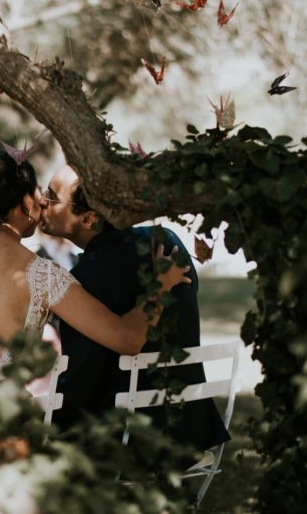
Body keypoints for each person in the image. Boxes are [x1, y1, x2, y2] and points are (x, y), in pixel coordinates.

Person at [0, 150, 191, 365]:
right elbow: (127, 339)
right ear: (24, 204)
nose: (43, 201)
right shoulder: (41, 275)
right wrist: (161, 287)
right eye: (38, 193)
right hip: (4, 431)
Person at [39, 165, 230, 451]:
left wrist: (49, 424)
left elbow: (82, 378)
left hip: (131, 441)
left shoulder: (85, 279)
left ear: (89, 217)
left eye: (52, 197)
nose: (42, 201)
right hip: (188, 428)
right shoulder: (166, 241)